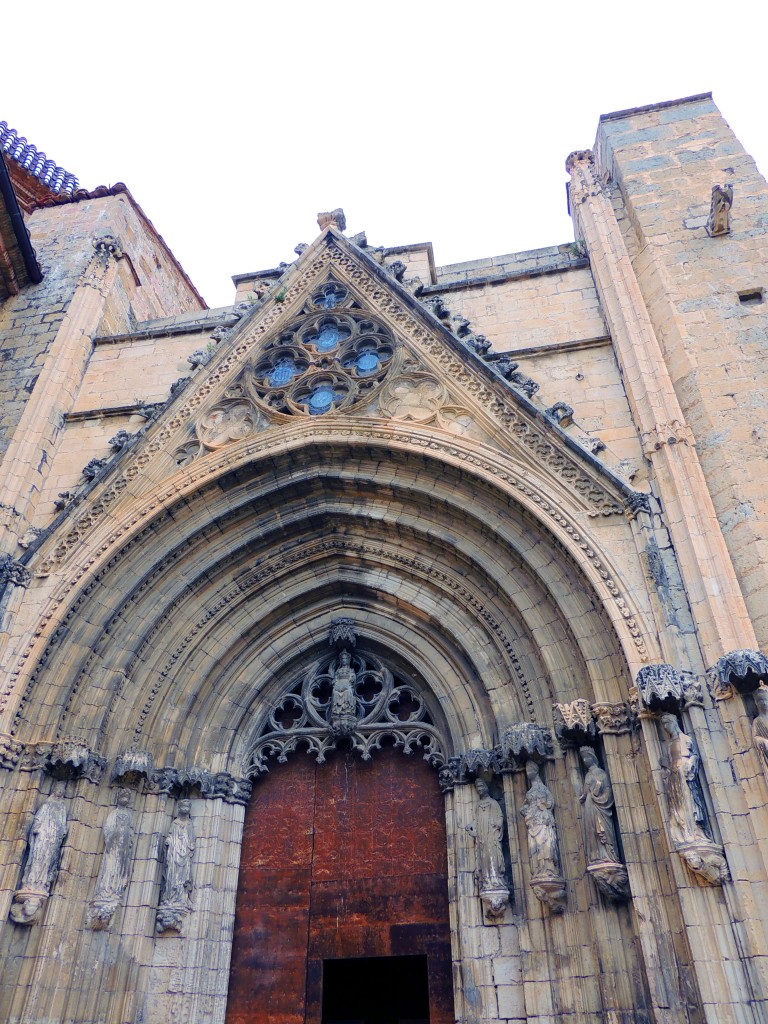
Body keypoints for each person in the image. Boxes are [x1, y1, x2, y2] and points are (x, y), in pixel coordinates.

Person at [578, 747, 621, 866]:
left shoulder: (601, 773)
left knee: (603, 830)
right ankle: (596, 856)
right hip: (589, 806)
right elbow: (585, 792)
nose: (585, 760)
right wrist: (584, 796)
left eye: (587, 757)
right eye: (583, 758)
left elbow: (608, 791)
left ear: (593, 757)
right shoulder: (587, 776)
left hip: (599, 806)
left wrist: (598, 797)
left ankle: (609, 856)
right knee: (592, 832)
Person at [465, 777, 506, 890]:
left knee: (493, 855)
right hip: (482, 836)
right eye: (478, 787)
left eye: (481, 786)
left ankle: (496, 879)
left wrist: (498, 824)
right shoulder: (477, 805)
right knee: (484, 857)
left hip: (491, 835)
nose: (479, 789)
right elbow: (476, 820)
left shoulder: (493, 803)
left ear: (486, 787)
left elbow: (500, 817)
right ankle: (487, 880)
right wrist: (471, 827)